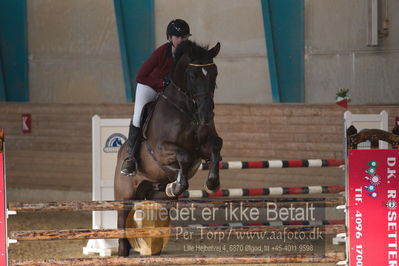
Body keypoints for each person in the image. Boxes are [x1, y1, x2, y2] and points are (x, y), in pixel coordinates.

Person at [121, 19, 191, 176]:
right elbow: (141, 75)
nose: (181, 40)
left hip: (167, 92)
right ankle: (130, 158)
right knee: (138, 116)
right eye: (177, 37)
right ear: (169, 38)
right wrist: (161, 82)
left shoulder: (187, 55)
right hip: (148, 87)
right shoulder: (161, 53)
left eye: (184, 37)